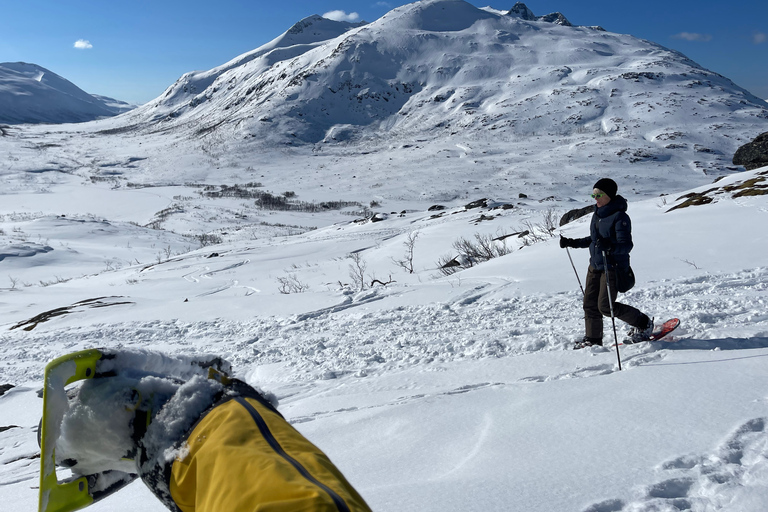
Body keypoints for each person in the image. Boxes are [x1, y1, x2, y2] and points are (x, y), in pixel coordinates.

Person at [559, 178, 653, 348]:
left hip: (612, 267)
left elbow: (626, 245)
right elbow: (594, 240)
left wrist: (609, 247)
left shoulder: (620, 217)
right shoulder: (597, 215)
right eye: (593, 195)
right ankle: (593, 340)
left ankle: (643, 323)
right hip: (594, 266)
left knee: (606, 307)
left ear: (609, 195)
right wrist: (572, 242)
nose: (595, 198)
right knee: (589, 304)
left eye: (599, 194)